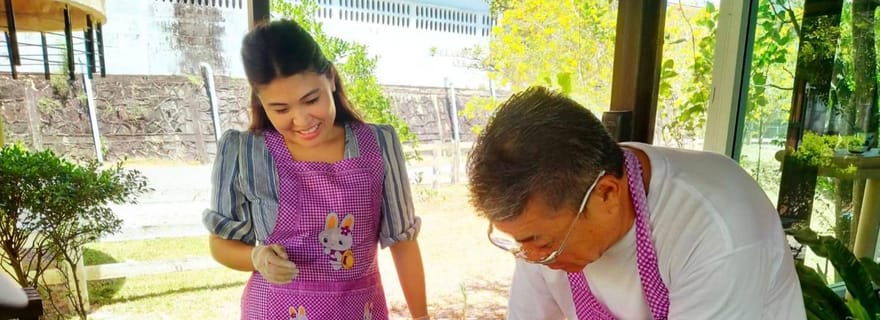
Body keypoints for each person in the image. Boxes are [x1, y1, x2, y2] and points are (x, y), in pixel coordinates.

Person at [466, 86, 805, 319]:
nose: (534, 258)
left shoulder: (714, 228)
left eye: (544, 244)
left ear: (607, 194)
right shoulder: (548, 204)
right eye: (519, 243)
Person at [203, 19, 428, 320]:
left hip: (359, 310)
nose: (301, 120)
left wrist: (422, 316)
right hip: (275, 311)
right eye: (281, 109)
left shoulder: (379, 143)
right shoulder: (244, 152)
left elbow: (403, 241)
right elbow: (220, 244)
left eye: (311, 100)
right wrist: (256, 257)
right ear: (261, 101)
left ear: (331, 79)